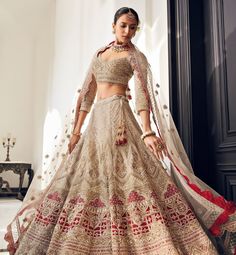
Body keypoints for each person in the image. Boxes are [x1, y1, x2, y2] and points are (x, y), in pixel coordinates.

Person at [4, 7, 236, 255]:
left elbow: (142, 96)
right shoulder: (99, 54)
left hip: (119, 120)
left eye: (133, 27)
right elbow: (86, 94)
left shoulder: (135, 56)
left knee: (127, 178)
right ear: (113, 25)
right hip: (96, 123)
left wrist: (147, 132)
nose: (128, 31)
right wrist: (75, 132)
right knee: (86, 180)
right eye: (124, 25)